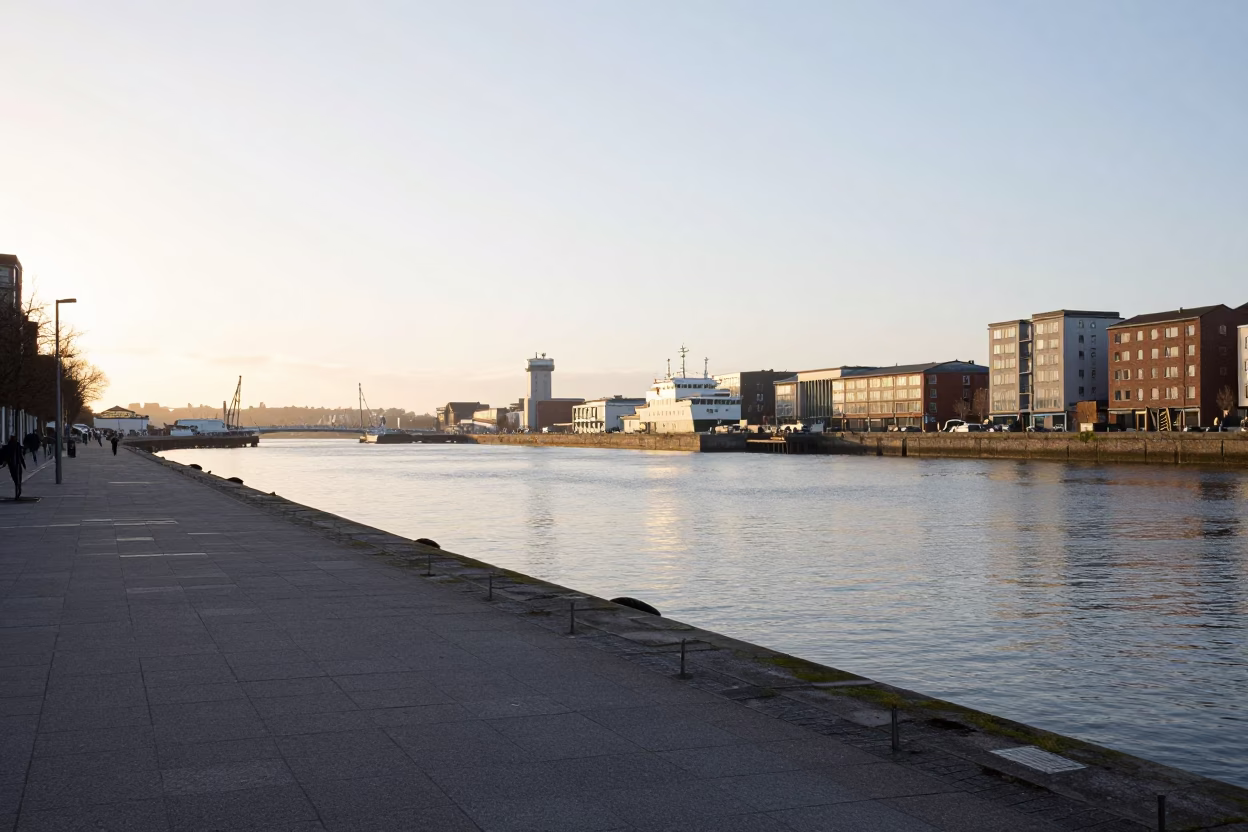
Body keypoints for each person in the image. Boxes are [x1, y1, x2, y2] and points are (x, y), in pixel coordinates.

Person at [2, 436, 26, 500]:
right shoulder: (17, 446)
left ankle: (17, 487)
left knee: (14, 476)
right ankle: (18, 487)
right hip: (18, 463)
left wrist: (5, 462)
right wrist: (23, 464)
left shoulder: (9, 446)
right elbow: (20, 456)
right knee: (18, 476)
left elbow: (7, 455)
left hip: (12, 464)